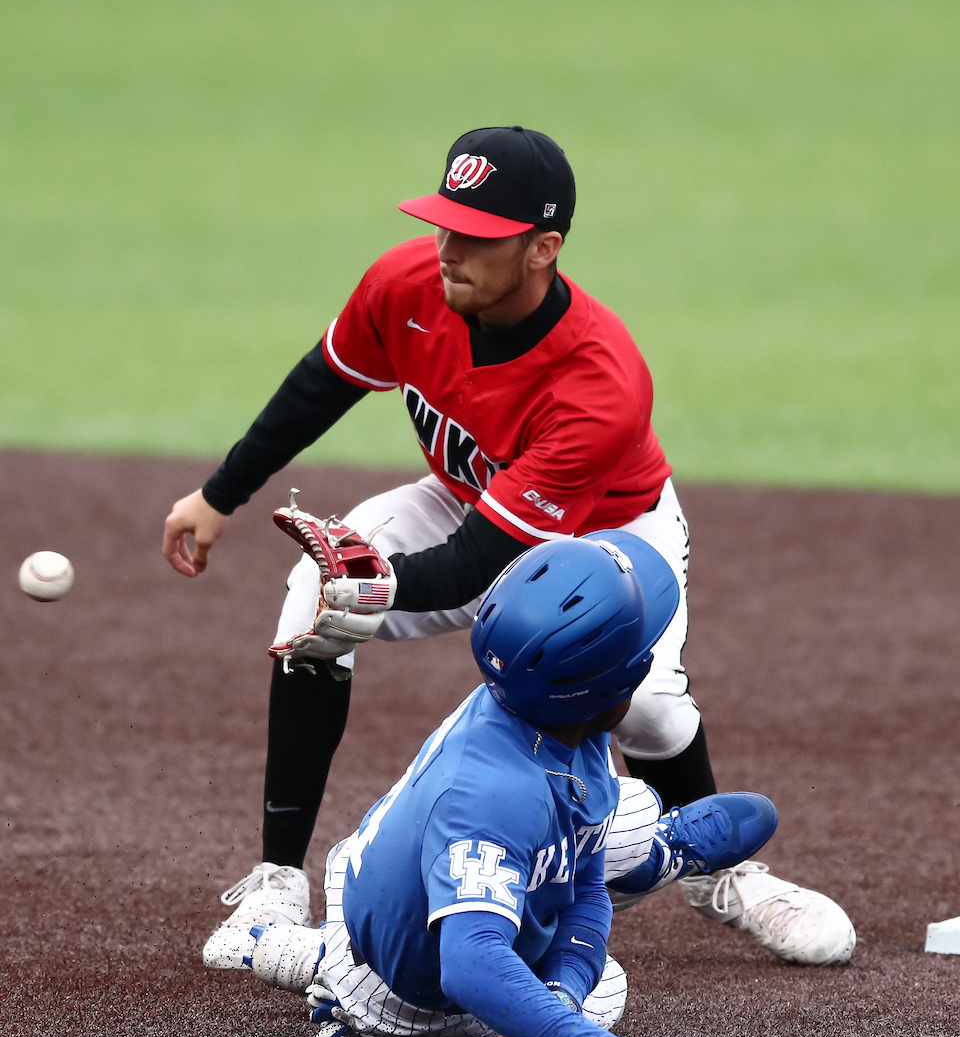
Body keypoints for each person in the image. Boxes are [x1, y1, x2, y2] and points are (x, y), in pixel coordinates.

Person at [162, 126, 855, 969]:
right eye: (445, 223)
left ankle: (723, 875)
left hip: (610, 533)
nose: (449, 250)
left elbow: (480, 567)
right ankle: (277, 878)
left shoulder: (596, 383)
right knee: (313, 602)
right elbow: (325, 381)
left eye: (478, 237)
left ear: (543, 248)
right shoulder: (407, 282)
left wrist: (368, 583)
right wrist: (219, 495)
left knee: (647, 708)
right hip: (469, 500)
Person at [234, 533, 780, 1037]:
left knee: (609, 830)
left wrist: (563, 991)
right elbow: (470, 967)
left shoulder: (558, 719)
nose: (646, 659)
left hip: (389, 873)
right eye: (640, 651)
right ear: (615, 682)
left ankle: (649, 851)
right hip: (404, 999)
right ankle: (310, 957)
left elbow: (585, 888)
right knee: (606, 981)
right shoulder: (492, 792)